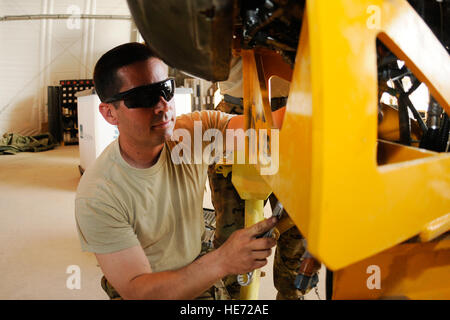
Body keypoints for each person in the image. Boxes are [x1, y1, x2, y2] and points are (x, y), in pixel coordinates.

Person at [74, 42, 285, 300]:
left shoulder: (191, 133)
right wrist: (222, 261)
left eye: (166, 89)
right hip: (151, 286)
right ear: (109, 113)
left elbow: (263, 129)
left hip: (197, 264)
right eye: (143, 97)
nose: (163, 106)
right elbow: (139, 290)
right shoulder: (99, 194)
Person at [208, 57, 308, 300]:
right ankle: (232, 298)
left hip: (295, 113)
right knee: (231, 229)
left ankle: (291, 294)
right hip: (236, 114)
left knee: (298, 226)